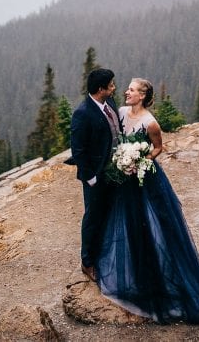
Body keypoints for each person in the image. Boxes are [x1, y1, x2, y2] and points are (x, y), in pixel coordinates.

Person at [96, 78, 199, 324]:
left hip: (147, 179)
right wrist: (122, 160)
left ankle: (167, 282)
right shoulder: (121, 112)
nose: (126, 92)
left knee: (157, 226)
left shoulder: (150, 122)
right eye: (128, 89)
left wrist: (140, 161)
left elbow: (158, 148)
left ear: (143, 96)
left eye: (132, 90)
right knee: (129, 225)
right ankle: (136, 278)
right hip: (125, 180)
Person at [70, 68, 120, 283]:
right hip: (96, 177)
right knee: (93, 217)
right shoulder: (83, 113)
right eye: (111, 85)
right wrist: (90, 177)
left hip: (115, 172)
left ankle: (105, 254)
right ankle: (87, 262)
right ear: (101, 89)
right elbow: (78, 150)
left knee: (110, 213)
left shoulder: (111, 105)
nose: (114, 88)